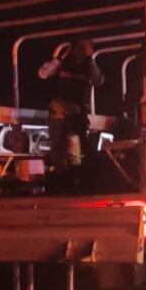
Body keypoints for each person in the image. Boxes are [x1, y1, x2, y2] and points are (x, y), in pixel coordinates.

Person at [38, 39, 103, 186]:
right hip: (59, 109)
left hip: (77, 112)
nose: (78, 52)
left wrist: (89, 58)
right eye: (77, 48)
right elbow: (43, 74)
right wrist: (59, 58)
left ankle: (75, 178)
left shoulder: (89, 65)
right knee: (58, 147)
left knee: (74, 145)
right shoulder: (62, 63)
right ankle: (60, 178)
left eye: (82, 49)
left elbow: (98, 80)